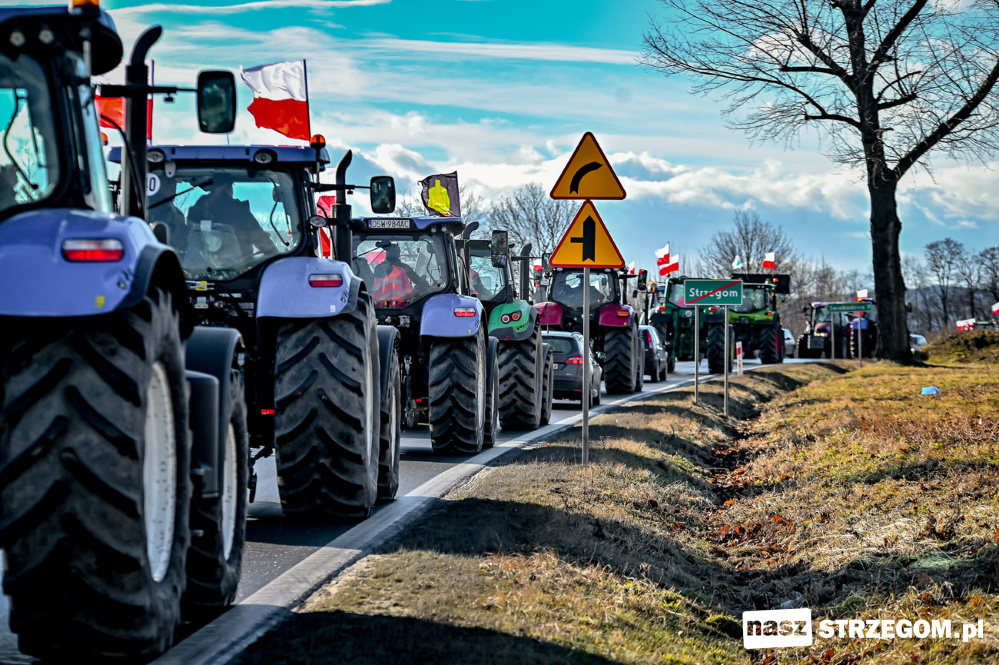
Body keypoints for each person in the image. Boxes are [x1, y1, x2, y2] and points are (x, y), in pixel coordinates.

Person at [187, 174, 278, 261]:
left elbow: (189, 236)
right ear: (229, 188)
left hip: (201, 269)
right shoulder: (239, 211)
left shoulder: (198, 211)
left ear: (212, 188)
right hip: (238, 268)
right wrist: (276, 255)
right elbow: (261, 240)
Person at [147, 177, 188, 253]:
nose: (174, 189)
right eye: (170, 184)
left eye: (174, 185)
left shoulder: (173, 209)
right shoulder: (157, 207)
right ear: (159, 185)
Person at [371, 243, 416, 308]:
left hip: (379, 306)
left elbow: (373, 286)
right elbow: (415, 279)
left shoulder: (378, 268)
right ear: (397, 254)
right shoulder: (402, 268)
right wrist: (424, 284)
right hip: (399, 307)